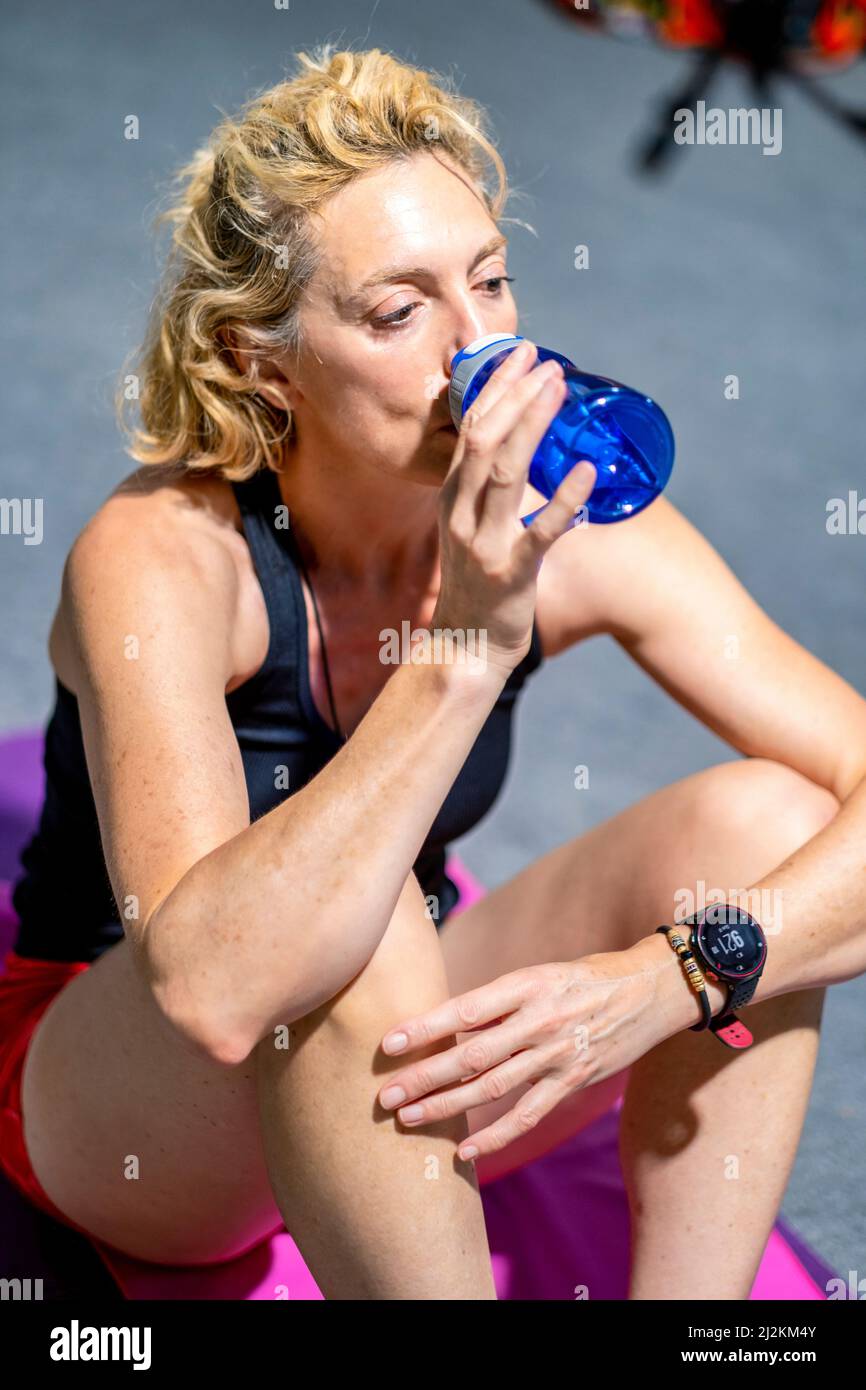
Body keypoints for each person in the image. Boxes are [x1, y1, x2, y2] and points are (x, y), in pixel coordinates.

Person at [2, 44, 864, 1301]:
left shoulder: (570, 520)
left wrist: (666, 978)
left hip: (384, 1043)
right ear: (259, 358)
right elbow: (209, 989)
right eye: (399, 312)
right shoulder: (165, 556)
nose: (485, 355)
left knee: (764, 825)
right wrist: (462, 649)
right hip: (131, 1108)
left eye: (493, 283)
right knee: (360, 926)